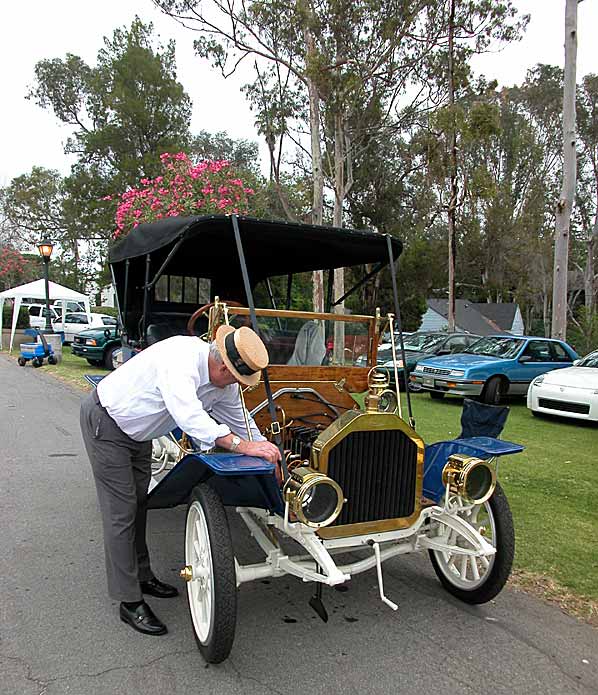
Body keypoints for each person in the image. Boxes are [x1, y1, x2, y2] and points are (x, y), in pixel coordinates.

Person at [80, 325, 281, 636]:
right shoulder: (181, 357)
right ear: (224, 366)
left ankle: (142, 576)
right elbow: (189, 416)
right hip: (107, 425)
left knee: (139, 505)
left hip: (139, 434)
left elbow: (241, 421)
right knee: (121, 513)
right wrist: (242, 446)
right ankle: (129, 601)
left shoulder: (223, 384)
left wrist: (267, 451)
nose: (236, 385)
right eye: (237, 378)